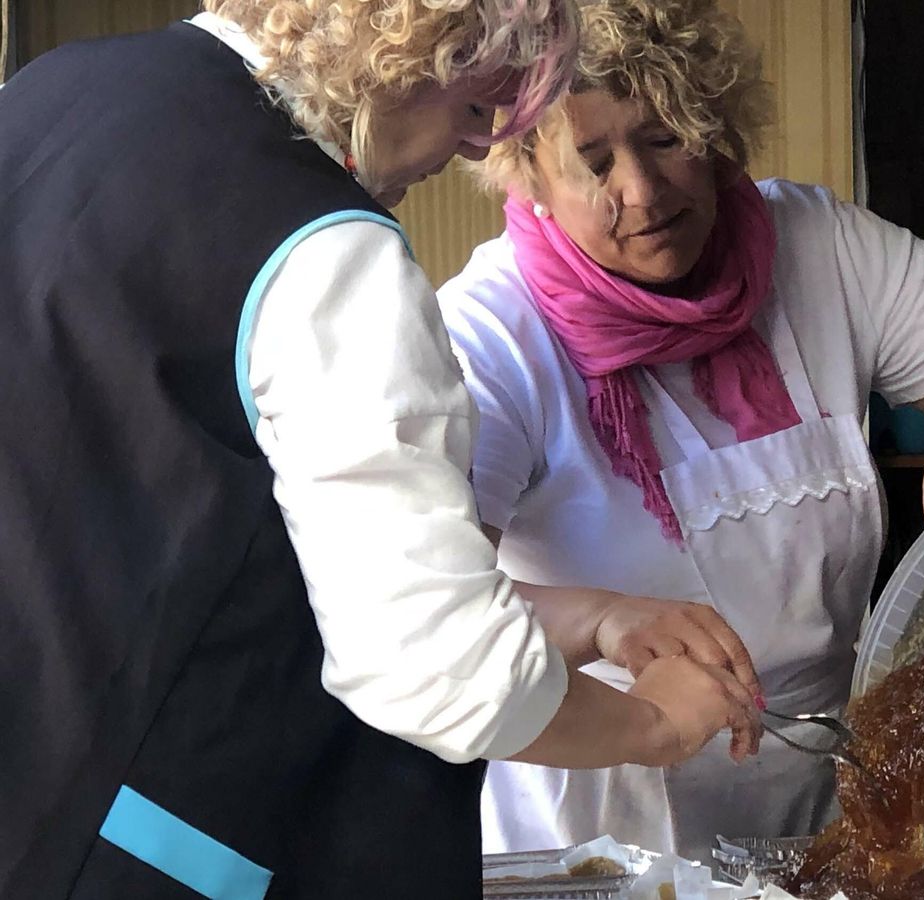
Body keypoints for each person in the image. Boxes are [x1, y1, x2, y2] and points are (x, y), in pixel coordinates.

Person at [0, 1, 761, 896]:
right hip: (158, 846)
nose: (481, 146)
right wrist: (654, 729)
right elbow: (434, 667)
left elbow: (281, 556)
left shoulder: (50, 96)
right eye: (483, 101)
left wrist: (593, 617)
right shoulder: (328, 250)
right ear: (414, 41)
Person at [436, 0, 924, 863]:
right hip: (603, 830)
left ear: (716, 121)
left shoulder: (818, 247)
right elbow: (423, 607)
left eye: (667, 137)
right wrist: (600, 618)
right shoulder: (492, 334)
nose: (641, 192)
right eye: (593, 162)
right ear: (526, 169)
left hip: (823, 799)